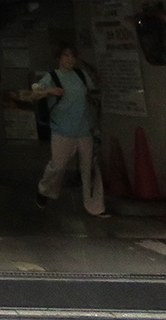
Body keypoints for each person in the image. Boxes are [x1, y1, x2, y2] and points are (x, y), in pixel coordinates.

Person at [32, 44, 106, 216]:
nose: (70, 59)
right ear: (59, 58)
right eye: (66, 55)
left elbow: (93, 92)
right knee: (57, 166)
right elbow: (35, 92)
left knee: (89, 169)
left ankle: (94, 206)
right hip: (62, 131)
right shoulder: (52, 77)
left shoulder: (81, 75)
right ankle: (44, 190)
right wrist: (49, 91)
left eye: (73, 56)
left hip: (84, 130)